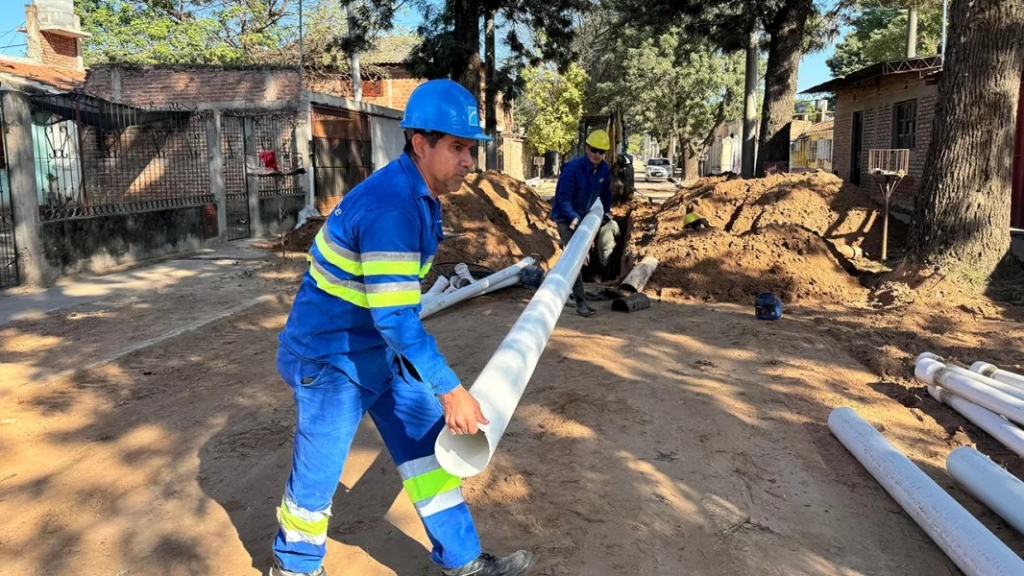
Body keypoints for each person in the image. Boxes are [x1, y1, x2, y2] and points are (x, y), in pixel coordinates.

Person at [267, 79, 535, 576]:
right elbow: (395, 316)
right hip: (330, 358)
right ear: (420, 144)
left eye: (471, 149)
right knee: (319, 472)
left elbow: (392, 314)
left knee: (429, 453)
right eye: (457, 148)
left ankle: (463, 561)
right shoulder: (392, 207)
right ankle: (295, 568)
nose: (469, 162)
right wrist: (450, 388)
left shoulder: (417, 194)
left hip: (377, 350)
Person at [550, 129, 616, 317]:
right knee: (575, 259)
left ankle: (573, 293)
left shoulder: (604, 169)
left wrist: (607, 210)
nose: (597, 155)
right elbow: (563, 200)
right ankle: (580, 302)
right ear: (586, 148)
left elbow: (605, 193)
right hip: (566, 218)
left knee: (579, 256)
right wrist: (575, 220)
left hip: (584, 216)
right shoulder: (572, 169)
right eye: (594, 150)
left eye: (601, 152)